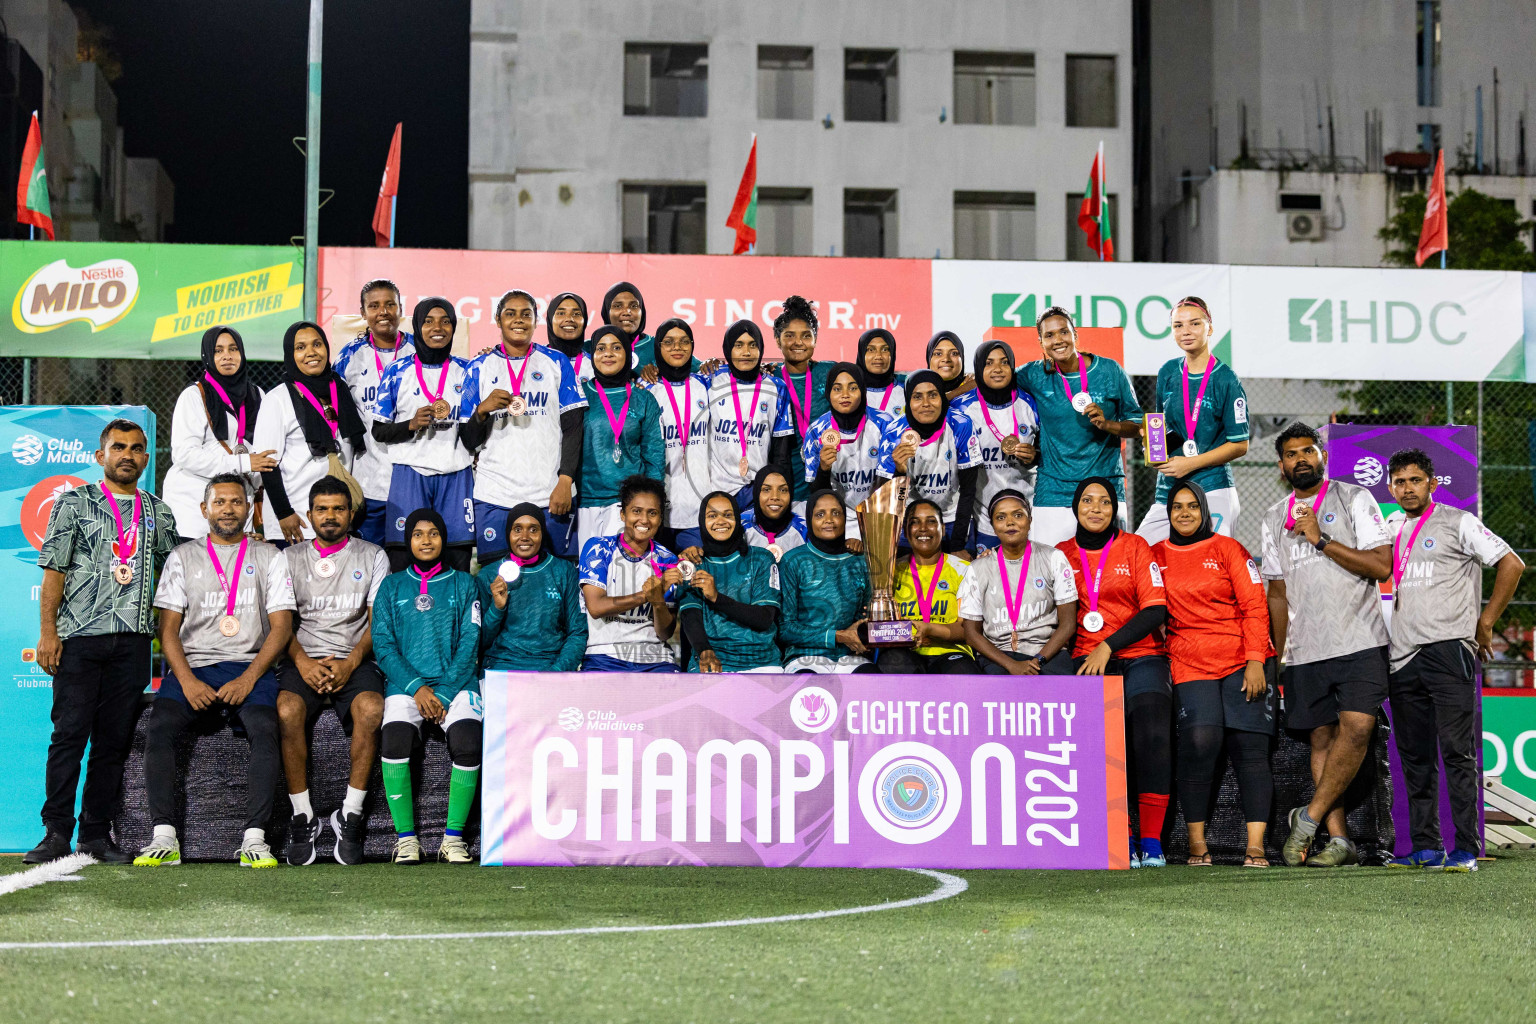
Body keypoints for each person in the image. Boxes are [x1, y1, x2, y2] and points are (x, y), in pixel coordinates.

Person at [25, 420, 178, 865]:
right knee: (69, 737)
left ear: (146, 458)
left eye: (135, 448)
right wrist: (48, 633)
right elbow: (54, 570)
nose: (126, 455)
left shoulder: (159, 512)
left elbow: (172, 577)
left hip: (133, 642)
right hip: (80, 638)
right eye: (118, 447)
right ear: (101, 455)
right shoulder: (73, 503)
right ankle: (55, 832)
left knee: (112, 743)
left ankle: (95, 834)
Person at [135, 474, 296, 868]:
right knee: (160, 727)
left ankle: (255, 839)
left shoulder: (270, 556)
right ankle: (164, 836)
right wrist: (187, 681)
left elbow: (282, 628)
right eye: (220, 502)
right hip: (196, 667)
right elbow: (167, 630)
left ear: (249, 509)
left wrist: (249, 678)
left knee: (265, 728)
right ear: (205, 509)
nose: (228, 509)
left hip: (249, 667)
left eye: (237, 502)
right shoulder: (183, 557)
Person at [1384, 448, 1524, 872]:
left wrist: (1486, 622)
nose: (1407, 488)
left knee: (1457, 753)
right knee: (1415, 756)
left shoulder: (1459, 522)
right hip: (1400, 655)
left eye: (1415, 480)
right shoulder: (1389, 526)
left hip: (1448, 649)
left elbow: (1511, 564)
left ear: (1432, 483)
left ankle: (1466, 848)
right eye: (1399, 481)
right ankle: (1426, 847)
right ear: (1390, 486)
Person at [1263, 423, 1393, 868]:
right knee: (1320, 739)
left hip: (1360, 639)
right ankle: (1338, 841)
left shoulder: (1354, 498)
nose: (1301, 459)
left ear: (1321, 456)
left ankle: (1309, 817)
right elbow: (1277, 593)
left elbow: (1381, 565)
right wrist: (1277, 655)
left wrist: (1321, 538)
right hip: (1304, 650)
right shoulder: (1272, 516)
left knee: (1357, 728)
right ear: (1281, 466)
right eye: (1291, 454)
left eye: (1308, 451)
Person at [1153, 480, 1276, 868]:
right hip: (1189, 661)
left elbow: (1256, 606)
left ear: (1205, 512)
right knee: (1200, 742)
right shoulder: (1156, 555)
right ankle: (1196, 844)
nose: (1185, 513)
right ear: (1168, 513)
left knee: (1250, 749)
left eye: (1192, 506)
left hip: (1244, 659)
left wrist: (1256, 659)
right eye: (1177, 507)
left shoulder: (1228, 549)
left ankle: (1255, 846)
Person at [275, 477, 390, 866]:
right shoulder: (288, 558)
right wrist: (304, 663)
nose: (330, 516)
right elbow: (280, 624)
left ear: (351, 514)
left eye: (338, 509)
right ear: (308, 516)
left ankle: (351, 815)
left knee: (372, 709)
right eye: (322, 509)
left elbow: (378, 623)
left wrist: (350, 663)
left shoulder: (373, 555)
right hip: (302, 659)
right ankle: (302, 815)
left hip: (353, 659)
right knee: (287, 709)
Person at [1057, 478, 1172, 867]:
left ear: (1115, 509)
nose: (1096, 508)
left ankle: (1153, 840)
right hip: (1085, 659)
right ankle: (1119, 833)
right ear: (1075, 508)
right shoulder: (1060, 555)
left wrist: (1108, 645)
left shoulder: (1134, 547)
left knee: (1152, 732)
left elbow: (1156, 610)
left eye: (1105, 501)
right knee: (1102, 743)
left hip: (1139, 654)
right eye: (1087, 501)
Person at [372, 509, 484, 865]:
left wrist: (446, 692)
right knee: (393, 742)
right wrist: (418, 688)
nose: (426, 540)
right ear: (408, 541)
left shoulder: (465, 583)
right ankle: (406, 840)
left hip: (457, 684)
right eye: (418, 534)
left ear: (443, 539)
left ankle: (453, 840)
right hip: (407, 686)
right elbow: (383, 645)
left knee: (468, 743)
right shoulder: (391, 586)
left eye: (433, 533)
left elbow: (471, 641)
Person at [463, 289, 585, 561]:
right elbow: (468, 440)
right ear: (497, 320)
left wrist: (565, 481)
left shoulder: (556, 362)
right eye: (510, 313)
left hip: (550, 493)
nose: (518, 320)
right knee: (497, 580)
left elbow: (574, 428)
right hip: (495, 495)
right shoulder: (478, 367)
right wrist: (482, 410)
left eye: (526, 314)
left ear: (536, 321)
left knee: (559, 578)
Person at [1016, 306, 1142, 547]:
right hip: (1054, 492)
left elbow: (1137, 426)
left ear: (1075, 334)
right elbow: (993, 378)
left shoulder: (1109, 370)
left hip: (1104, 491)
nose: (1058, 340)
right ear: (1041, 342)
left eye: (1064, 332)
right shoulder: (1035, 374)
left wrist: (1108, 424)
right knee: (1050, 572)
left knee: (1107, 573)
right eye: (1049, 335)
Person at [374, 298, 477, 572]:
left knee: (457, 559)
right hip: (410, 474)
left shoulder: (469, 371)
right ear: (418, 326)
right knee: (403, 557)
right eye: (428, 321)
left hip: (456, 473)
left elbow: (473, 432)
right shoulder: (397, 371)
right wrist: (410, 424)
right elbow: (379, 430)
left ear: (454, 327)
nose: (437, 328)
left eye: (445, 321)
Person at [1136, 297, 1250, 543]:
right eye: (1178, 325)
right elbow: (1162, 426)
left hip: (1212, 487)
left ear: (1210, 327)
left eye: (1194, 324)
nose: (1185, 332)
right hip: (1169, 488)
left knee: (1212, 566)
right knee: (1139, 553)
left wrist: (1191, 464)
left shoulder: (1226, 379)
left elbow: (1240, 445)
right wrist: (1153, 445)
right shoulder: (1168, 372)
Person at [255, 321, 369, 545]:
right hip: (296, 521)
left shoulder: (341, 389)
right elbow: (267, 464)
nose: (311, 352)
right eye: (300, 347)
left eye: (317, 344)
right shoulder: (277, 399)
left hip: (336, 521)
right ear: (290, 353)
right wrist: (283, 513)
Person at [165, 326, 271, 540]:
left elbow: (263, 450)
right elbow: (184, 454)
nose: (227, 356)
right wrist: (242, 463)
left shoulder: (257, 394)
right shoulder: (194, 396)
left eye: (233, 349)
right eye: (218, 350)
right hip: (195, 509)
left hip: (238, 506)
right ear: (207, 355)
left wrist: (257, 477)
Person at [334, 279, 417, 544]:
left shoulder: (420, 351)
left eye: (390, 304)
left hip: (413, 480)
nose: (383, 311)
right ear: (363, 313)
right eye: (374, 305)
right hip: (368, 482)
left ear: (400, 309)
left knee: (407, 562)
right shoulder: (349, 356)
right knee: (369, 560)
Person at [959, 491, 1077, 675]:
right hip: (999, 655)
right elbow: (971, 634)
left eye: (1018, 515)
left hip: (1047, 653)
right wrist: (1011, 665)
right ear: (993, 525)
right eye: (1001, 517)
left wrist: (1037, 660)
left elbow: (1068, 623)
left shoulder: (1054, 558)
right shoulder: (978, 568)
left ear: (1030, 520)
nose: (1010, 522)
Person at [579, 476, 685, 671]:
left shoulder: (667, 560)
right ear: (623, 514)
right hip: (604, 654)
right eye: (636, 511)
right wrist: (647, 595)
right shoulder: (598, 548)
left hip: (655, 657)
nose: (644, 520)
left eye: (652, 513)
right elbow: (596, 607)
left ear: (660, 519)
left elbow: (664, 633)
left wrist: (658, 601)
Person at [576, 325, 667, 549]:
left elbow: (654, 456)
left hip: (629, 506)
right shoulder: (579, 394)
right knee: (589, 579)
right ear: (593, 356)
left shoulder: (644, 399)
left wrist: (651, 504)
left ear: (628, 354)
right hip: (585, 502)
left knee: (625, 576)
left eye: (616, 347)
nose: (608, 353)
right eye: (601, 348)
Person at [875, 370, 980, 552]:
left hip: (952, 519)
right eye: (917, 397)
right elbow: (887, 502)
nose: (926, 404)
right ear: (908, 401)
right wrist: (899, 472)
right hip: (911, 523)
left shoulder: (960, 424)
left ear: (942, 397)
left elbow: (968, 490)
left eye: (933, 395)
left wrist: (956, 546)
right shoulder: (894, 432)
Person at [678, 492, 782, 672]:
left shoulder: (761, 559)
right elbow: (690, 616)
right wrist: (704, 651)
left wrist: (716, 598)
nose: (720, 521)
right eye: (712, 515)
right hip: (713, 661)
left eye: (728, 515)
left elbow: (764, 618)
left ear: (737, 519)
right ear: (702, 522)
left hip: (761, 663)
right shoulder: (693, 564)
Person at [952, 340, 1040, 552]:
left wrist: (1035, 455)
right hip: (981, 518)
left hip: (1027, 515)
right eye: (989, 363)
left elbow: (1047, 453)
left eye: (1004, 362)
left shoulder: (1030, 403)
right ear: (979, 367)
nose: (998, 369)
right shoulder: (962, 408)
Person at [480, 504, 587, 672]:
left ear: (542, 534)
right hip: (500, 666)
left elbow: (578, 632)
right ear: (508, 533)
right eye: (517, 529)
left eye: (533, 530)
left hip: (549, 666)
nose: (524, 537)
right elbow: (479, 641)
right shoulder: (489, 575)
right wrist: (497, 608)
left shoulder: (564, 571)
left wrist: (556, 672)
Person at [777, 489, 874, 673]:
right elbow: (785, 628)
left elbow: (865, 615)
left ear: (845, 518)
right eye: (820, 514)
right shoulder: (793, 561)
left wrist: (860, 631)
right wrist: (836, 636)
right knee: (810, 685)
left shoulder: (859, 560)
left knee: (870, 680)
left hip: (849, 656)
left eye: (836, 513)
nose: (829, 519)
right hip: (805, 656)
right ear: (809, 520)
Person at [880, 499, 977, 674]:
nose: (923, 527)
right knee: (894, 663)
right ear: (905, 532)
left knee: (962, 672)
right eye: (914, 522)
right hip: (905, 651)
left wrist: (930, 629)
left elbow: (968, 630)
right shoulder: (890, 572)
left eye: (931, 521)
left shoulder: (963, 569)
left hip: (950, 652)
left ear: (943, 529)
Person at [804, 362, 891, 552]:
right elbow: (816, 493)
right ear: (828, 393)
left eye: (853, 388)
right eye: (837, 388)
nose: (845, 394)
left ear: (863, 390)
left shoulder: (885, 425)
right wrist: (823, 469)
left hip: (879, 518)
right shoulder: (816, 431)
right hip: (836, 520)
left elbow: (891, 487)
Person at [707, 319, 796, 504]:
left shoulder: (777, 388)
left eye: (753, 345)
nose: (746, 352)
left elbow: (782, 454)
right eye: (738, 345)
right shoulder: (711, 381)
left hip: (756, 491)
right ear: (728, 349)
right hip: (714, 490)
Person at [645, 318, 713, 554]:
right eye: (669, 342)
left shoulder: (705, 384)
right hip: (658, 509)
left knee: (694, 580)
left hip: (698, 508)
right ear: (658, 348)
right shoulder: (646, 389)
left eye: (684, 342)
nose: (677, 347)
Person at [772, 295, 831, 512]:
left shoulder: (829, 374)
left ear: (816, 339)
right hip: (785, 484)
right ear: (778, 340)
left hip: (827, 481)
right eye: (790, 336)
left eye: (807, 336)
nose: (798, 342)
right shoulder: (769, 377)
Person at [741, 466, 807, 557]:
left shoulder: (804, 530)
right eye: (766, 490)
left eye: (783, 490)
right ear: (756, 493)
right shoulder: (740, 526)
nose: (775, 496)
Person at [601, 281, 655, 370]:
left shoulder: (657, 347)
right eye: (618, 306)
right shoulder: (590, 348)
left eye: (634, 306)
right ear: (607, 311)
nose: (627, 312)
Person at [543, 291, 592, 387]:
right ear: (550, 319)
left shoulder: (595, 366)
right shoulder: (535, 361)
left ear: (585, 320)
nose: (569, 319)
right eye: (561, 313)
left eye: (576, 314)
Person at [857, 328, 906, 418]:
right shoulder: (850, 392)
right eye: (871, 350)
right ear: (861, 354)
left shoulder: (906, 392)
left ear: (892, 354)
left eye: (885, 349)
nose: (878, 356)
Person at [926, 331, 974, 400]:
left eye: (954, 353)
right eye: (938, 354)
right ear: (929, 358)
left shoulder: (978, 391)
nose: (946, 359)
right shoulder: (914, 390)